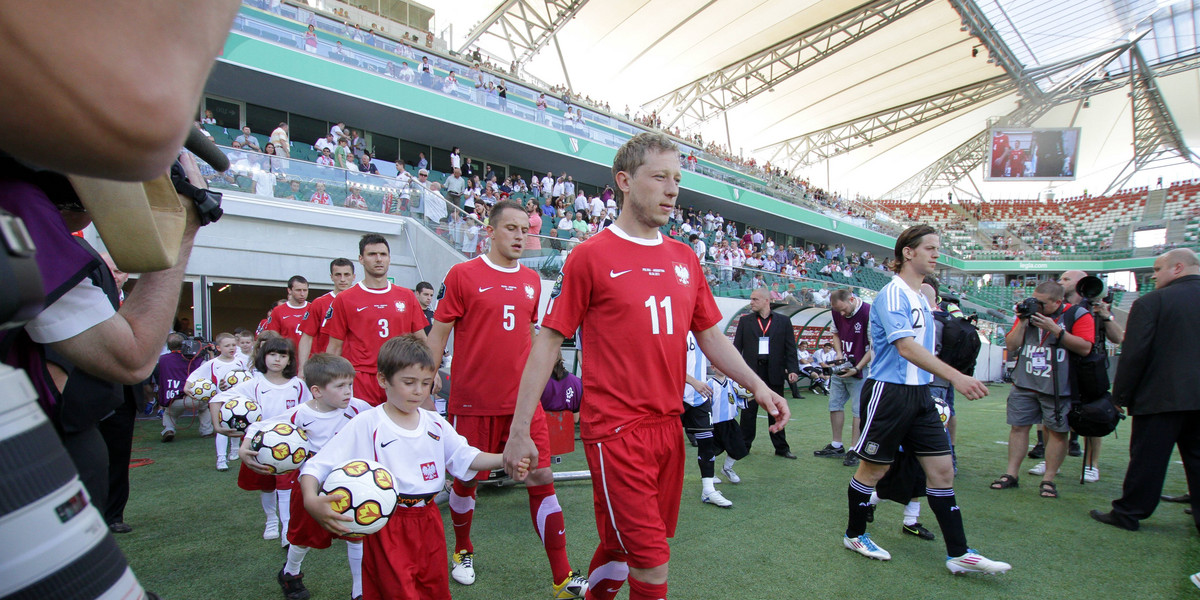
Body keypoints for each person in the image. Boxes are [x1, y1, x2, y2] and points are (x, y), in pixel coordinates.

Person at [502, 133, 789, 600]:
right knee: (652, 565)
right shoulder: (590, 256)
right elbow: (547, 344)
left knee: (619, 549)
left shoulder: (684, 258)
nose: (672, 190)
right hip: (616, 431)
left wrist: (759, 386)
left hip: (667, 427)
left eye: (676, 179)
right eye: (659, 177)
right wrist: (519, 429)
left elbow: (712, 337)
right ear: (624, 181)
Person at [425, 200, 588, 596]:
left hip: (523, 405)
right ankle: (463, 550)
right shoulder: (462, 275)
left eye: (524, 230)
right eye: (511, 228)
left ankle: (562, 577)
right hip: (474, 401)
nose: (520, 236)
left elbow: (530, 333)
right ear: (491, 231)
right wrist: (423, 382)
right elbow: (440, 333)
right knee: (466, 481)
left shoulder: (533, 281)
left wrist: (546, 372)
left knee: (541, 476)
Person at [300, 336, 522, 600]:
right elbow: (316, 465)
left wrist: (504, 458)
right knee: (397, 593)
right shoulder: (368, 423)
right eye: (409, 383)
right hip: (389, 525)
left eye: (426, 383)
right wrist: (310, 499)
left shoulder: (434, 423)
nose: (419, 391)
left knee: (434, 589)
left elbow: (466, 457)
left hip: (429, 521)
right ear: (383, 380)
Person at [844, 224, 1009, 574]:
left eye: (938, 248)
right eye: (930, 248)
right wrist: (956, 377)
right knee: (874, 469)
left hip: (921, 395)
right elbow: (905, 348)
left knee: (942, 470)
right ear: (908, 252)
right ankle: (855, 534)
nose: (937, 254)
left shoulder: (921, 297)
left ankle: (959, 553)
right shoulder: (892, 294)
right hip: (889, 393)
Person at [239, 353, 372, 600]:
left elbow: (380, 422)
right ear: (317, 391)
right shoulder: (300, 413)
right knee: (302, 537)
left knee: (356, 535)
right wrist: (246, 443)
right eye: (340, 386)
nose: (348, 392)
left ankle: (360, 590)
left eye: (350, 385)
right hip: (311, 486)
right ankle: (290, 572)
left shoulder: (360, 408)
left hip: (349, 485)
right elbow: (260, 426)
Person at [1090, 249, 1200, 533]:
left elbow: (1135, 354)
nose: (1153, 275)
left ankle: (1129, 513)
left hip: (1161, 396)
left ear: (1177, 268)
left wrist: (1121, 396)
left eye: (1158, 268)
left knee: (1148, 458)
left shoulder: (1154, 302)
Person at [990, 280, 1093, 499]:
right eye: (1035, 300)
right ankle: (1011, 474)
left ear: (1058, 302)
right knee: (1018, 427)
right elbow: (1011, 345)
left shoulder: (1077, 315)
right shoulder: (1028, 314)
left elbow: (1085, 347)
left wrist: (1055, 330)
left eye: (1043, 303)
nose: (1038, 306)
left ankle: (1049, 478)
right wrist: (1023, 322)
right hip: (1024, 383)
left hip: (1058, 388)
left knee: (1057, 432)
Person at [211, 336, 311, 545]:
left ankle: (286, 529)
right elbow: (218, 398)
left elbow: (309, 410)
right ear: (263, 357)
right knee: (267, 486)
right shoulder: (254, 384)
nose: (277, 360)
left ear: (290, 360)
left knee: (286, 486)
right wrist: (218, 426)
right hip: (259, 445)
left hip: (289, 447)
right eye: (272, 354)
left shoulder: (299, 385)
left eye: (282, 356)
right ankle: (271, 520)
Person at [325, 234, 429, 406]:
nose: (379, 259)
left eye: (383, 254)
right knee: (365, 430)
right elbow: (334, 347)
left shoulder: (407, 296)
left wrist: (428, 375)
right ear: (361, 259)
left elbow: (421, 340)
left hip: (400, 375)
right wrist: (329, 383)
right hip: (362, 379)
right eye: (372, 254)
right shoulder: (345, 299)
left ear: (389, 258)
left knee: (400, 429)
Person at [1053, 269, 1125, 482]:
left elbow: (1117, 337)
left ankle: (1092, 464)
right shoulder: (1057, 307)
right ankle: (1052, 462)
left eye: (1066, 279)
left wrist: (1106, 316)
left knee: (1094, 412)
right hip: (1062, 365)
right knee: (1054, 414)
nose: (1060, 282)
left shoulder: (1095, 308)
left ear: (1080, 283)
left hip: (1090, 369)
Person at [733, 288, 798, 459]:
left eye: (755, 299)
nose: (751, 302)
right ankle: (744, 447)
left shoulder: (784, 321)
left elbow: (790, 348)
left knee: (775, 411)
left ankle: (782, 448)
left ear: (766, 301)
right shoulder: (745, 321)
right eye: (751, 299)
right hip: (751, 374)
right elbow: (736, 348)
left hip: (774, 372)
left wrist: (792, 370)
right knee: (748, 413)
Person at [815, 289, 873, 466]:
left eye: (843, 309)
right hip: (844, 366)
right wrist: (840, 355)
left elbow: (874, 346)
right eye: (837, 310)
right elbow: (836, 333)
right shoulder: (836, 311)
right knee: (835, 405)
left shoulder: (869, 312)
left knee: (858, 410)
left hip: (862, 368)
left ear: (852, 299)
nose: (841, 313)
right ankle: (836, 445)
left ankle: (855, 449)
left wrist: (857, 368)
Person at [184, 332, 250, 469]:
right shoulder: (212, 363)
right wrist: (187, 387)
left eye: (233, 345)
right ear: (218, 348)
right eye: (227, 346)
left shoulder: (242, 362)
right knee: (222, 428)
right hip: (220, 400)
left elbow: (251, 377)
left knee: (237, 425)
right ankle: (221, 459)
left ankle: (234, 449)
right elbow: (195, 375)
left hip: (239, 401)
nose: (232, 348)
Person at [297, 258, 356, 371]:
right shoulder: (319, 303)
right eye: (338, 274)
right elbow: (307, 338)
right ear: (331, 277)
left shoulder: (361, 301)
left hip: (356, 367)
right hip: (327, 368)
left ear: (353, 276)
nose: (342, 279)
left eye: (347, 274)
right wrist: (301, 368)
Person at [157, 332, 208, 442]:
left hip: (172, 400)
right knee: (204, 407)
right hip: (194, 398)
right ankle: (206, 431)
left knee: (168, 413)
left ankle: (169, 429)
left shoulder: (162, 360)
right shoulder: (196, 359)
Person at [264, 275, 311, 350]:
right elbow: (272, 338)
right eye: (298, 290)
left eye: (305, 290)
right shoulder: (278, 311)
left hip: (310, 358)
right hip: (287, 356)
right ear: (289, 290)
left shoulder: (313, 308)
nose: (302, 294)